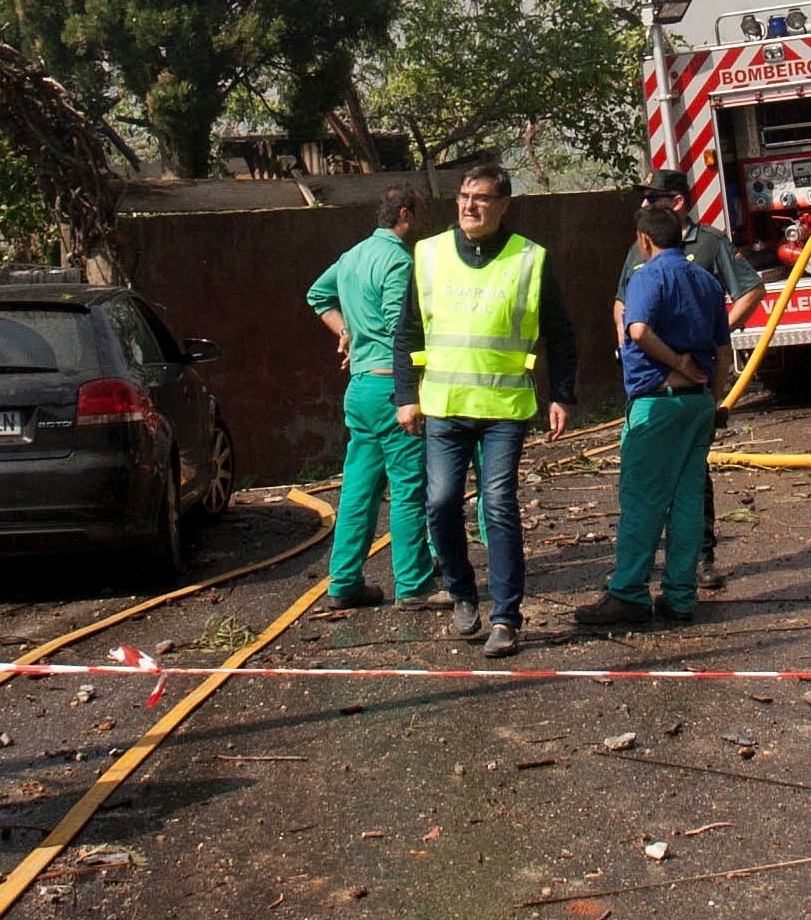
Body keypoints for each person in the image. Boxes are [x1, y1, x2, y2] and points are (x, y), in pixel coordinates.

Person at [393, 165, 576, 658]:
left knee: (497, 506)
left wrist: (561, 394)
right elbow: (408, 332)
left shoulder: (529, 259)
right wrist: (405, 395)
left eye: (481, 198)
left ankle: (506, 618)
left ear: (504, 204)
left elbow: (560, 332)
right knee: (440, 502)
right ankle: (460, 591)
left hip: (504, 408)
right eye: (464, 196)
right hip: (445, 407)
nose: (469, 206)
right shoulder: (427, 255)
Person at [575, 202, 730, 629]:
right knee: (685, 499)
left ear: (645, 240)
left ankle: (628, 594)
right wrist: (713, 399)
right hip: (698, 404)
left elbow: (638, 330)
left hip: (658, 403)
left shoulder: (647, 277)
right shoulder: (706, 281)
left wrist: (677, 364)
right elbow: (722, 350)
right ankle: (680, 596)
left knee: (642, 500)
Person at [611, 169, 764, 592]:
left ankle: (637, 589)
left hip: (666, 397)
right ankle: (679, 591)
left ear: (676, 202)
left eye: (652, 198)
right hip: (687, 392)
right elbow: (623, 309)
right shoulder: (644, 253)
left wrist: (685, 353)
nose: (644, 206)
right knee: (685, 486)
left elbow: (640, 326)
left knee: (647, 493)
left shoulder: (709, 245)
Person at [306, 186, 438, 611]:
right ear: (405, 214)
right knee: (407, 487)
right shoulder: (399, 261)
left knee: (359, 489)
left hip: (360, 387)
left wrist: (345, 331)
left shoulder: (352, 257)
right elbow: (402, 329)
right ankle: (414, 583)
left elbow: (318, 296)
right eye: (418, 215)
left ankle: (344, 581)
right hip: (392, 387)